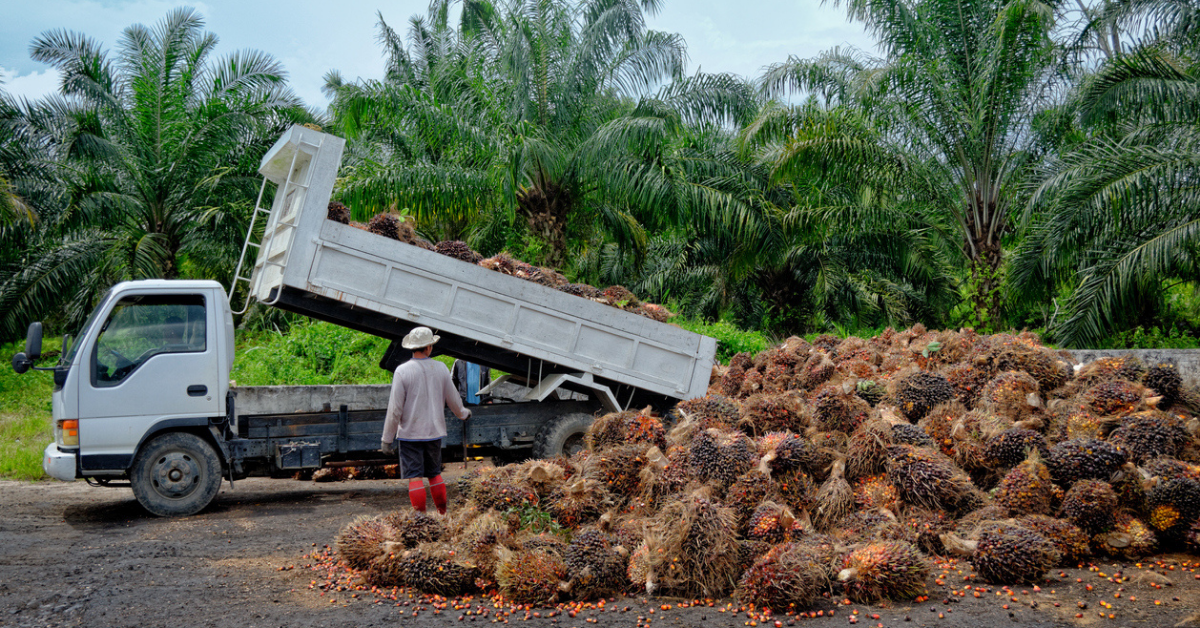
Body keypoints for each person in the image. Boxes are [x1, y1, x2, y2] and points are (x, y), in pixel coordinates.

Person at [380, 327, 471, 514]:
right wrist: (463, 414)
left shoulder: (402, 371)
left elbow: (395, 409)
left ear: (412, 347)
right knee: (434, 474)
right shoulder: (441, 368)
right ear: (429, 347)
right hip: (434, 432)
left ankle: (420, 519)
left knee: (415, 477)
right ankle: (443, 514)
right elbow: (453, 399)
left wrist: (387, 439)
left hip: (409, 435)